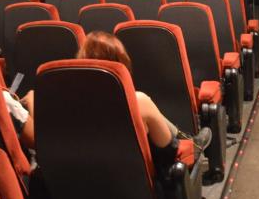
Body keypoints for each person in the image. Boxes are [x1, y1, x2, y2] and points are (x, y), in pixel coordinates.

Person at [78, 31, 211, 173]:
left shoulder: (71, 104)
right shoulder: (136, 101)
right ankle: (192, 143)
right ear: (120, 64)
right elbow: (169, 150)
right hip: (141, 187)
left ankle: (188, 139)